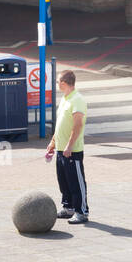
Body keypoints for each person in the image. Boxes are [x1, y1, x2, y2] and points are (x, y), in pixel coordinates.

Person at [45, 69, 89, 225]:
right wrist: (53, 142)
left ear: (63, 83)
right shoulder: (65, 98)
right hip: (61, 149)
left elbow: (77, 125)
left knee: (76, 182)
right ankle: (68, 207)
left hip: (72, 150)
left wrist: (69, 146)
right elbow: (60, 125)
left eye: (57, 82)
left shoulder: (77, 100)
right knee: (64, 181)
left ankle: (81, 211)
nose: (57, 84)